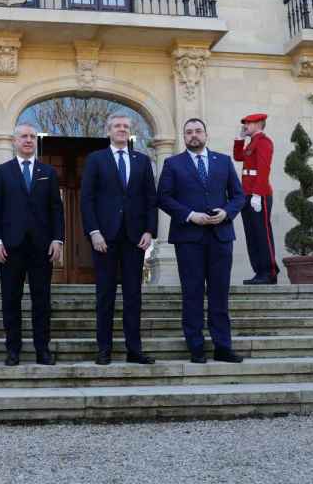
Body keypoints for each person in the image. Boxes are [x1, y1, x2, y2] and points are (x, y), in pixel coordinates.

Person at [158, 118, 247, 364]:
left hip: (221, 236)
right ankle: (196, 347)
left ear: (206, 134)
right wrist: (190, 215)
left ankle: (222, 347)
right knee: (193, 293)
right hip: (189, 238)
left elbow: (239, 196)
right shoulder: (172, 163)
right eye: (189, 132)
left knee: (219, 294)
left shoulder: (224, 161)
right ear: (184, 137)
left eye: (198, 131)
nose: (194, 135)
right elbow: (163, 198)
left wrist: (226, 213)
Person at [81, 112, 158, 365]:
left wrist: (149, 231)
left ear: (130, 131)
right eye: (117, 126)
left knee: (133, 296)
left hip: (135, 238)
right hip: (105, 238)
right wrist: (93, 232)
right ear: (109, 131)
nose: (122, 129)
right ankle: (104, 349)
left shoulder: (142, 161)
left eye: (126, 126)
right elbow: (87, 198)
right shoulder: (95, 159)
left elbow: (150, 199)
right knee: (105, 295)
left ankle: (134, 350)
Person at [0, 123, 65, 366]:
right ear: (14, 141)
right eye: (24, 136)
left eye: (32, 136)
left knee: (41, 300)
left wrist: (58, 238)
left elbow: (56, 209)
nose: (29, 140)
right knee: (10, 300)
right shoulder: (3, 172)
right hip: (10, 247)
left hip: (42, 248)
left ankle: (43, 349)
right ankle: (13, 350)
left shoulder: (48, 172)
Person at [233, 113, 279, 285]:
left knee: (262, 234)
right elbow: (238, 157)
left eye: (248, 124)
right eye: (245, 124)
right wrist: (239, 138)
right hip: (247, 194)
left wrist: (258, 194)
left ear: (259, 124)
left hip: (259, 194)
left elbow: (263, 169)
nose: (245, 126)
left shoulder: (264, 142)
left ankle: (269, 272)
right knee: (252, 235)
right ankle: (259, 271)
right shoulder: (252, 142)